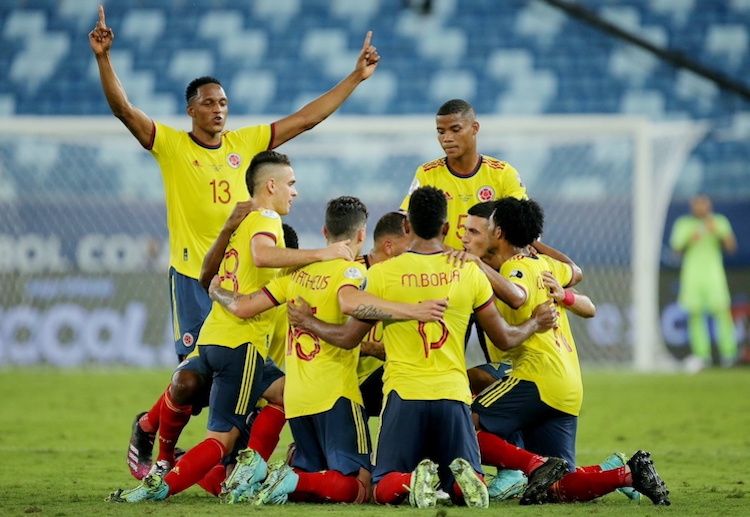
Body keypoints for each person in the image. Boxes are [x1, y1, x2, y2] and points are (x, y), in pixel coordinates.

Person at [89, 5, 380, 478]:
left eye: (223, 102)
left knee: (238, 382)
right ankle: (152, 433)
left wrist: (355, 78)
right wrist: (104, 58)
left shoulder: (246, 145)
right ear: (191, 109)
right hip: (194, 278)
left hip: (246, 281)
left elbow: (305, 119)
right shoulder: (172, 146)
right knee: (190, 381)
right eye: (208, 102)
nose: (218, 109)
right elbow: (124, 109)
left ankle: (222, 462)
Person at [106, 151, 371, 503]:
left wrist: (216, 288)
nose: (295, 192)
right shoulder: (266, 219)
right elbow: (263, 256)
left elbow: (220, 282)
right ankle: (163, 484)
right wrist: (321, 254)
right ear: (271, 185)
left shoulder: (243, 221)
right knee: (222, 438)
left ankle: (194, 462)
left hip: (216, 333)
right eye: (291, 184)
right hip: (240, 342)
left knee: (282, 393)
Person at [288, 186, 558, 509]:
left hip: (404, 396)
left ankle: (411, 480)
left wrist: (309, 323)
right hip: (453, 397)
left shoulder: (383, 274)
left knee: (382, 488)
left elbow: (348, 338)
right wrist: (535, 324)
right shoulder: (467, 271)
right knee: (462, 484)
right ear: (445, 229)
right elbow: (504, 338)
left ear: (406, 226)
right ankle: (467, 480)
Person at [205, 196, 448, 505]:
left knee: (320, 485)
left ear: (324, 232)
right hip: (336, 395)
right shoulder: (354, 275)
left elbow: (242, 307)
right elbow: (349, 305)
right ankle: (279, 475)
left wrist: (216, 290)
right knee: (360, 487)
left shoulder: (295, 274)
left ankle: (276, 477)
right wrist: (411, 311)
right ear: (361, 235)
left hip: (298, 397)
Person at [470, 197, 670, 505]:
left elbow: (518, 297)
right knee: (558, 484)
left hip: (535, 376)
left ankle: (523, 468)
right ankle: (626, 473)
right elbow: (575, 270)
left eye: (486, 226)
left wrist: (477, 263)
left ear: (498, 233)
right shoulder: (545, 265)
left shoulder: (516, 268)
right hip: (567, 384)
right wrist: (539, 247)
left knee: (462, 425)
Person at [399, 99, 527, 252]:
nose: (447, 138)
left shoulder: (503, 173)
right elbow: (405, 221)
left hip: (491, 269)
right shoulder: (427, 173)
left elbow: (525, 226)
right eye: (441, 132)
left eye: (455, 129)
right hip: (443, 270)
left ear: (474, 128)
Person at [669, 194, 738, 371]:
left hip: (714, 276)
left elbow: (731, 247)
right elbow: (675, 251)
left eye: (703, 204)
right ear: (692, 206)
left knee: (722, 313)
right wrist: (692, 238)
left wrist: (716, 230)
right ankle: (702, 356)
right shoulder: (684, 224)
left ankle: (729, 354)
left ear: (709, 206)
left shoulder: (719, 222)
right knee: (695, 316)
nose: (700, 208)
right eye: (697, 205)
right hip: (692, 277)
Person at [356, 211, 411, 417]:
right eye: (410, 246)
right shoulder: (350, 274)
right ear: (389, 247)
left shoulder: (409, 280)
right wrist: (368, 348)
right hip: (343, 377)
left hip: (385, 376)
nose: (416, 252)